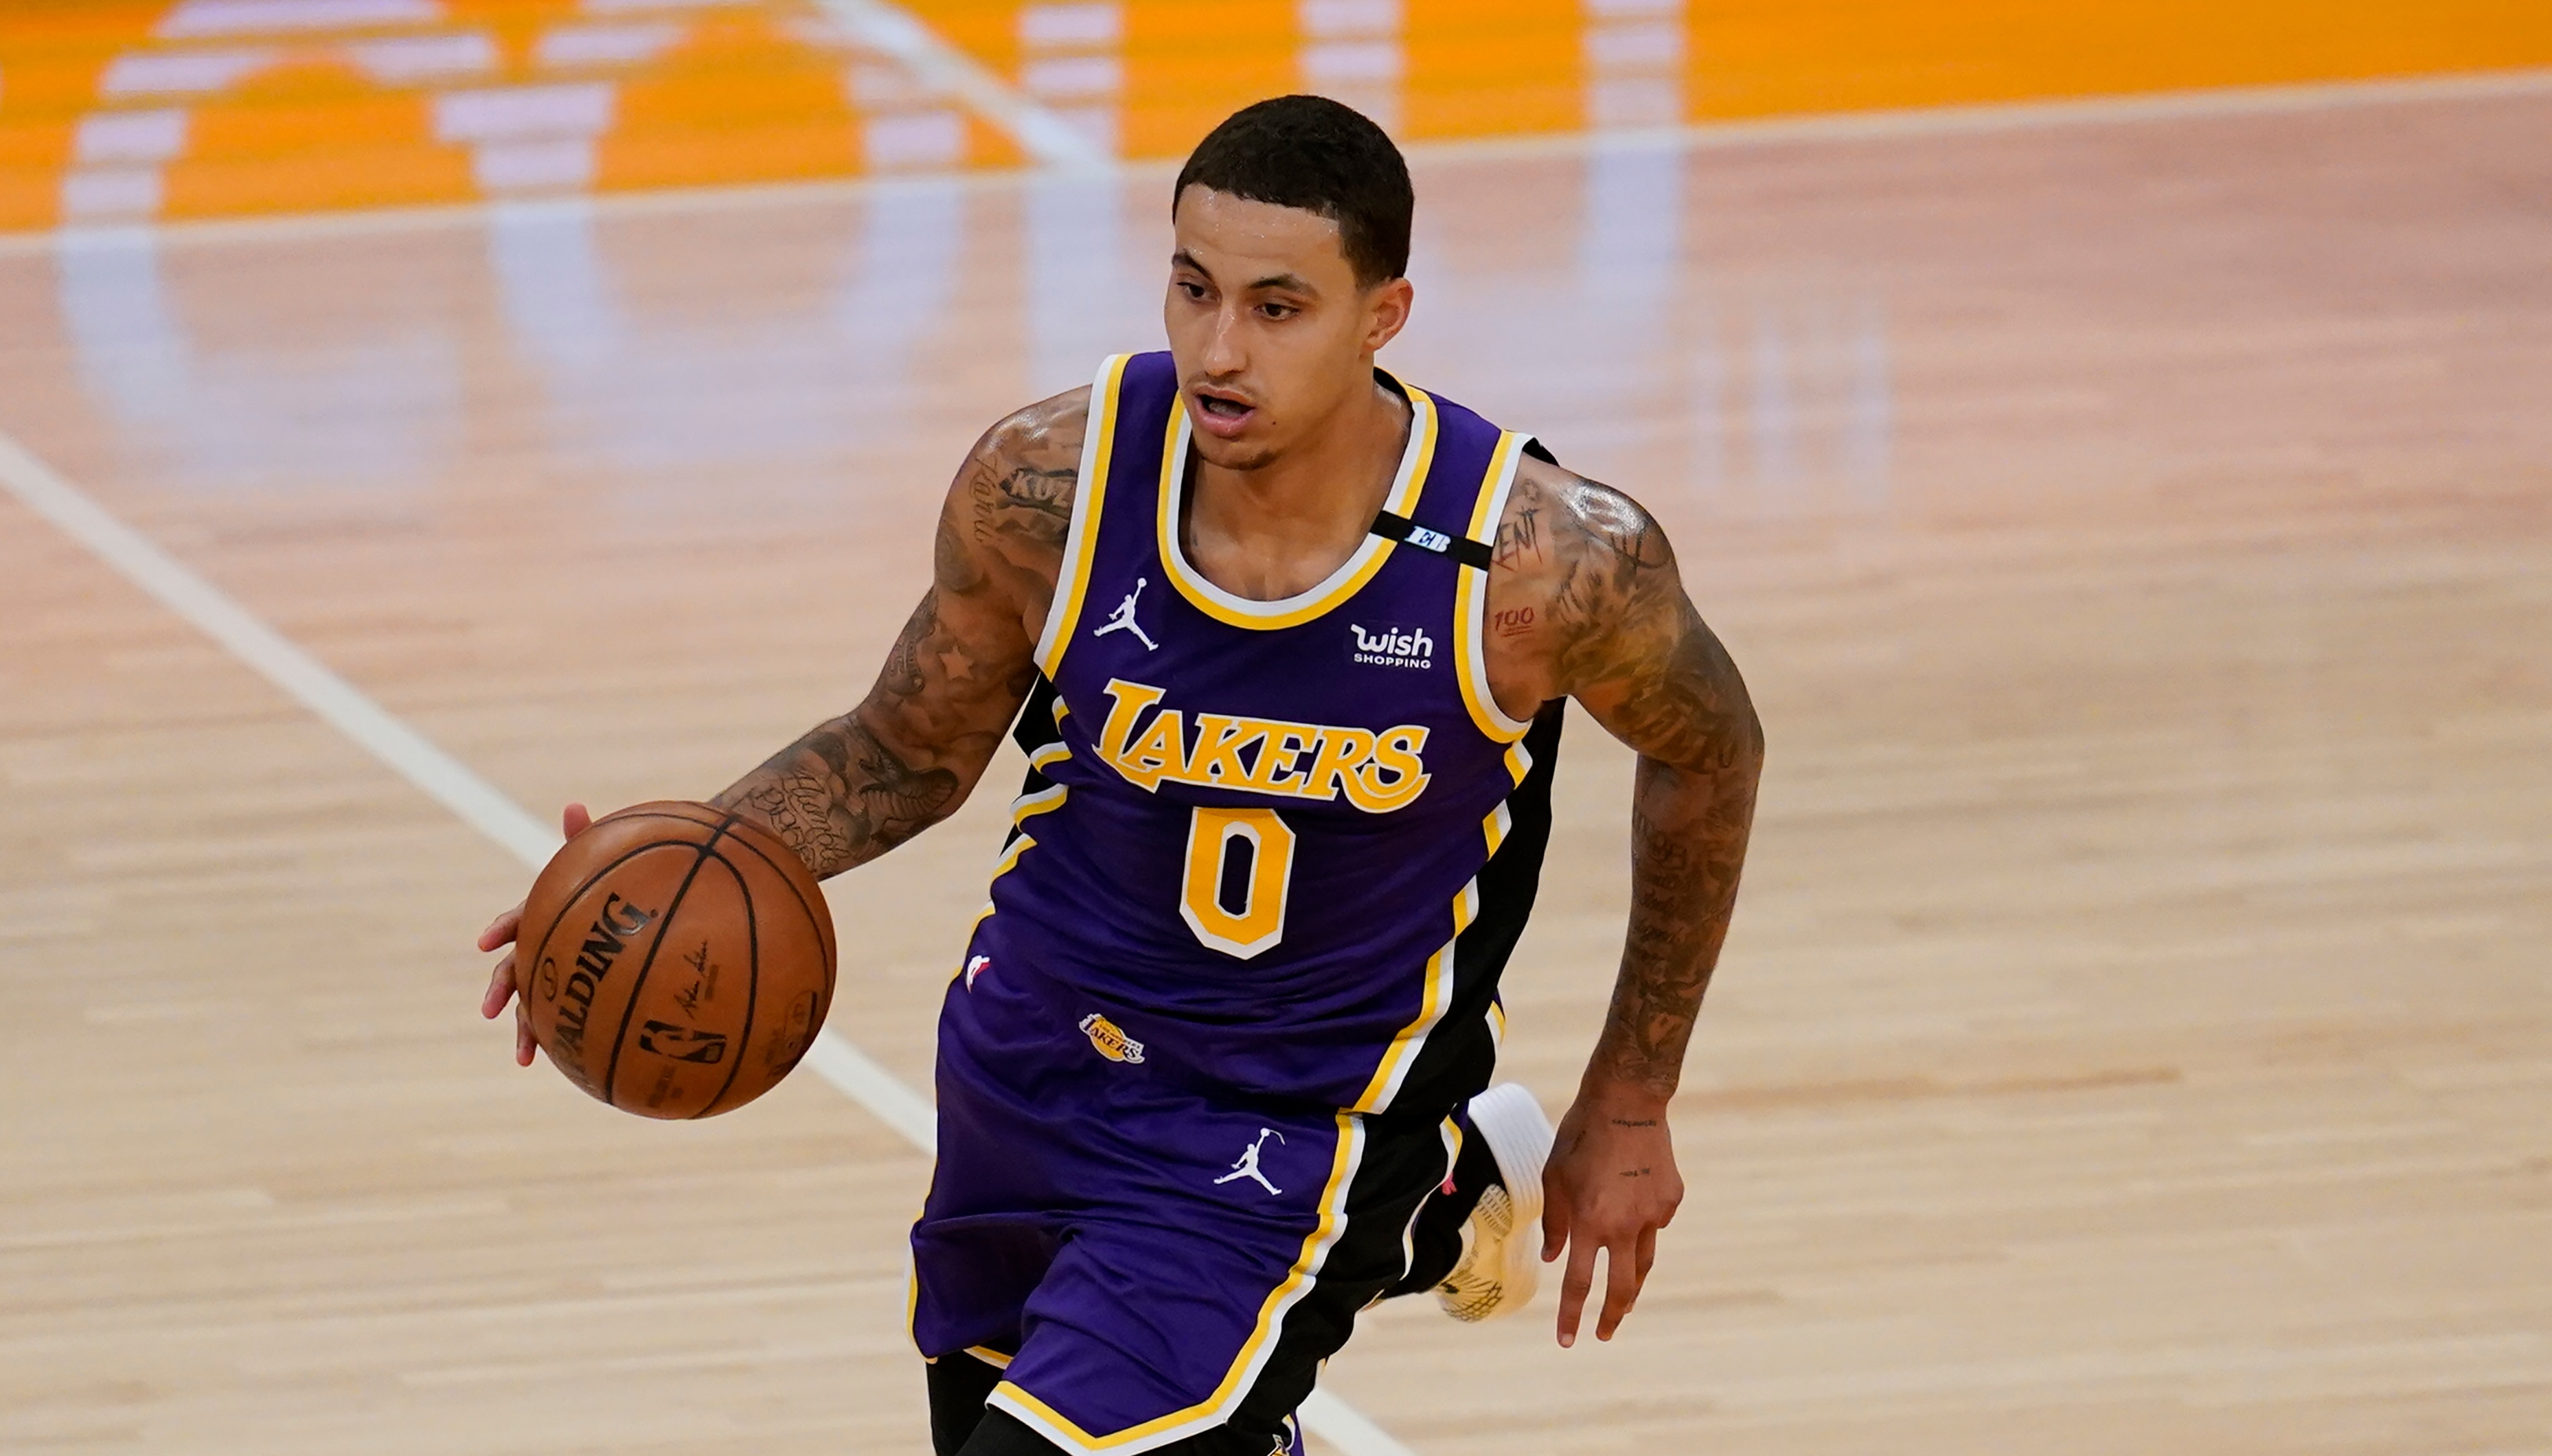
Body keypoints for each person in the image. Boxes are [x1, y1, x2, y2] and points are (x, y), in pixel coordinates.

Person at [478, 94, 1761, 1456]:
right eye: (1193, 289)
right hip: (1029, 1071)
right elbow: (906, 748)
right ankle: (1442, 1215)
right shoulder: (1052, 483)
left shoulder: (1539, 564)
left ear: (1383, 316)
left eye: (1278, 308)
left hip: (1285, 1134)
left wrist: (1631, 1094)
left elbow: (1708, 751)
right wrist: (656, 867)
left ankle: (1416, 1198)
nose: (1219, 349)